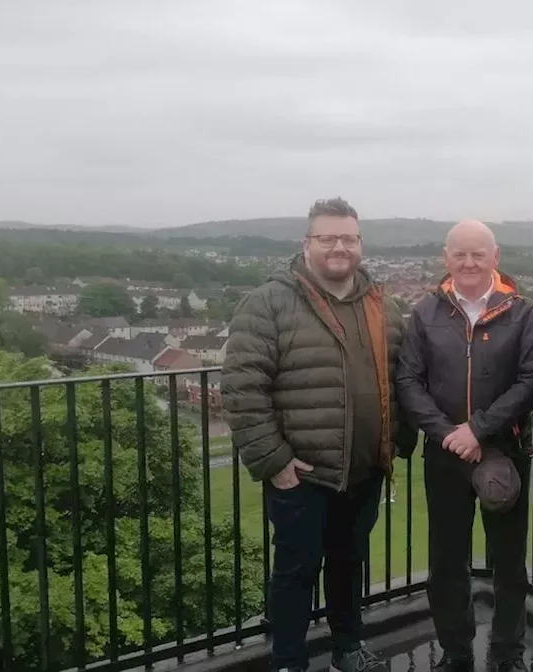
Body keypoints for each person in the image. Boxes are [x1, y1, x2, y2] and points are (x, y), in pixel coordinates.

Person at [221, 197, 415, 672]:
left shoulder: (382, 306)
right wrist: (274, 461)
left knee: (349, 565)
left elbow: (401, 378)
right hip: (302, 473)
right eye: (327, 237)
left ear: (360, 244)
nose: (338, 247)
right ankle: (288, 661)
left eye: (348, 238)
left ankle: (348, 649)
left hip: (364, 470)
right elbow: (242, 388)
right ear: (306, 243)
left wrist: (397, 443)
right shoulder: (268, 302)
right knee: (295, 572)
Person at [395, 220, 533, 672]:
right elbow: (408, 381)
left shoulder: (522, 312)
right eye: (460, 253)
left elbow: (531, 382)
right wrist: (449, 434)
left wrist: (478, 430)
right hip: (444, 456)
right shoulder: (425, 313)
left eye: (479, 253)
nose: (469, 262)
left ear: (495, 257)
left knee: (510, 564)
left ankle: (507, 653)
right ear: (446, 257)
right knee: (446, 563)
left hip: (505, 453)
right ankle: (456, 652)